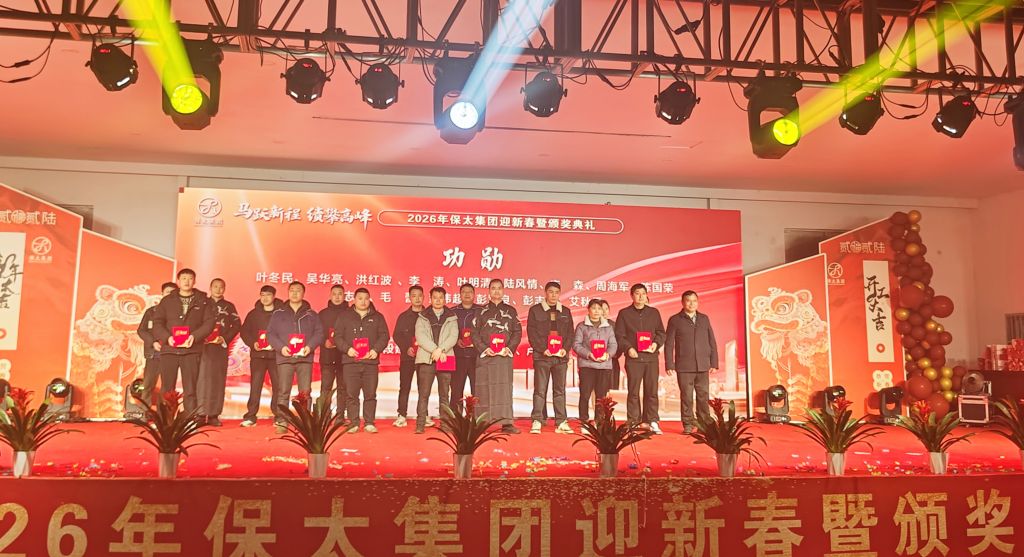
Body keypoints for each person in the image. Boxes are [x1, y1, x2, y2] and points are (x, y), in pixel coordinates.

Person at [151, 268, 216, 415]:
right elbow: (157, 323)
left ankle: (189, 419)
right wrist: (167, 338)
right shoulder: (167, 301)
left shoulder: (203, 301)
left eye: (190, 278)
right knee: (167, 388)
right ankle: (165, 419)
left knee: (190, 389)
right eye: (184, 278)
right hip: (170, 350)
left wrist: (195, 336)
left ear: (195, 281)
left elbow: (209, 323)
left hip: (191, 351)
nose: (187, 281)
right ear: (178, 281)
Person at [267, 281, 324, 435]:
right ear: (288, 292)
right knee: (283, 391)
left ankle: (305, 422)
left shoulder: (311, 314)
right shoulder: (278, 313)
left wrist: (309, 347)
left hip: (304, 358)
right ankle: (282, 421)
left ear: (303, 293)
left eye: (298, 290)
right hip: (285, 357)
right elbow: (270, 334)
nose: (294, 293)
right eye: (292, 290)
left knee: (305, 392)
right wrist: (281, 348)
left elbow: (319, 333)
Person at [335, 288, 390, 433]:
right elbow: (338, 337)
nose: (363, 301)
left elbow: (384, 336)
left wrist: (375, 350)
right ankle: (353, 423)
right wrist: (347, 349)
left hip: (370, 362)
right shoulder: (344, 316)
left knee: (370, 394)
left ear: (369, 299)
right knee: (351, 394)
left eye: (366, 298)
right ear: (354, 299)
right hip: (350, 362)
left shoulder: (377, 317)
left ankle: (369, 422)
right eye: (360, 298)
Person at [471, 279, 522, 434]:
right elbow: (474, 333)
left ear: (503, 290)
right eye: (493, 288)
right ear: (489, 291)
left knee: (504, 389)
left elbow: (517, 332)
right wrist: (484, 349)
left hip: (503, 357)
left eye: (499, 288)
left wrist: (509, 348)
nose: (496, 291)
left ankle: (507, 423)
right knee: (483, 389)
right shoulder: (480, 311)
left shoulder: (511, 311)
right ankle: (481, 422)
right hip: (486, 356)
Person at [615, 283, 666, 434]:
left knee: (652, 391)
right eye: (637, 293)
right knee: (633, 391)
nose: (641, 296)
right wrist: (628, 348)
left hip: (651, 358)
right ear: (632, 295)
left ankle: (652, 420)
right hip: (634, 358)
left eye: (643, 293)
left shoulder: (654, 313)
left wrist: (655, 344)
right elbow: (620, 335)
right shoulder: (624, 313)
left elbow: (661, 333)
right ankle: (633, 421)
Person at [665, 290, 719, 434]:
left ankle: (704, 424)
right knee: (686, 397)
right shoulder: (675, 320)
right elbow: (669, 344)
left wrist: (714, 362)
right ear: (682, 303)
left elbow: (712, 341)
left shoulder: (704, 319)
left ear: (698, 302)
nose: (691, 304)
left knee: (703, 396)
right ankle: (688, 424)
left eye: (694, 301)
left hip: (703, 365)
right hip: (684, 366)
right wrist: (669, 364)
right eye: (688, 301)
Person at [527, 281, 575, 434]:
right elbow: (531, 333)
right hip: (542, 357)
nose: (553, 295)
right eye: (551, 292)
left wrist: (564, 349)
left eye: (556, 292)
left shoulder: (565, 311)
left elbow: (570, 334)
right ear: (545, 293)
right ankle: (537, 420)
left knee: (559, 391)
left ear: (559, 294)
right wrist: (543, 349)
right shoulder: (535, 310)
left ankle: (561, 421)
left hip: (560, 358)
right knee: (540, 390)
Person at [413, 287, 458, 434]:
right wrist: (435, 350)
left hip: (445, 357)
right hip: (427, 358)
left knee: (444, 395)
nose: (438, 300)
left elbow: (453, 336)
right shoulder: (422, 316)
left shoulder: (452, 317)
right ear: (430, 299)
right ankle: (420, 424)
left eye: (441, 297)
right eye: (435, 297)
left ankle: (445, 425)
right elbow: (420, 337)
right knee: (423, 394)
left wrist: (441, 350)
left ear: (445, 299)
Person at [239, 285, 283, 427]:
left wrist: (279, 345)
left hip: (276, 356)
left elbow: (286, 332)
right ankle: (250, 416)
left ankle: (279, 416)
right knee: (255, 386)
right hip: (258, 356)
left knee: (278, 386)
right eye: (262, 295)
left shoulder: (282, 313)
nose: (265, 298)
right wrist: (253, 343)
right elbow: (244, 332)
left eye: (268, 295)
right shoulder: (253, 314)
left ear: (274, 296)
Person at [198, 278, 240, 427]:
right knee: (201, 380)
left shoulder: (229, 306)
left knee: (218, 380)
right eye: (215, 286)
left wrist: (224, 338)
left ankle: (214, 414)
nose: (218, 289)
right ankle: (200, 414)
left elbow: (237, 325)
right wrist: (199, 337)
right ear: (210, 288)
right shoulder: (202, 304)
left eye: (221, 287)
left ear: (224, 289)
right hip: (202, 348)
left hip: (219, 348)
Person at [573, 299, 618, 423]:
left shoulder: (608, 327)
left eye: (599, 309)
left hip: (604, 366)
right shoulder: (582, 326)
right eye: (594, 308)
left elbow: (613, 345)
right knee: (585, 395)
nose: (597, 311)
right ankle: (584, 421)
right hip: (587, 366)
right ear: (588, 310)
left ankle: (600, 422)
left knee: (601, 397)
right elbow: (576, 345)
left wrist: (607, 355)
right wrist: (589, 355)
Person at [135, 282, 176, 405]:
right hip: (154, 354)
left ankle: (164, 413)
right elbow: (141, 330)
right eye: (168, 292)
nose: (170, 295)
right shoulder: (151, 312)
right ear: (162, 293)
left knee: (168, 387)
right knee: (148, 385)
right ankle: (145, 412)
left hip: (171, 354)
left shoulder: (179, 314)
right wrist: (152, 343)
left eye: (173, 293)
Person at [391, 285, 425, 428]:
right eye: (414, 296)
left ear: (424, 297)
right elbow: (397, 335)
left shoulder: (428, 315)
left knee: (423, 388)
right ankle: (401, 415)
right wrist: (406, 348)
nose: (417, 298)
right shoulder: (403, 317)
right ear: (409, 297)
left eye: (420, 295)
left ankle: (423, 415)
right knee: (404, 387)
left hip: (424, 358)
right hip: (407, 358)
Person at [318, 284, 350, 422]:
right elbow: (317, 332)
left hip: (345, 357)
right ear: (330, 295)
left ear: (344, 296)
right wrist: (324, 341)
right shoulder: (322, 314)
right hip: (327, 357)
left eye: (340, 294)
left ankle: (340, 416)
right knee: (326, 388)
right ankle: (324, 417)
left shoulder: (350, 313)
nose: (337, 297)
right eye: (334, 294)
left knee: (343, 389)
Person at [450, 283, 480, 412]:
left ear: (474, 294)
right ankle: (456, 419)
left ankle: (475, 418)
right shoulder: (452, 312)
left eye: (470, 292)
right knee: (456, 390)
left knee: (477, 390)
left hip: (476, 357)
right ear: (460, 295)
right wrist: (456, 340)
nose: (467, 294)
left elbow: (486, 331)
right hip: (458, 357)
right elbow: (447, 332)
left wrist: (477, 341)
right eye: (464, 292)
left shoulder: (481, 311)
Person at [601, 299, 623, 391]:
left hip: (612, 362)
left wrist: (613, 354)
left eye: (606, 309)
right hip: (596, 362)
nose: (604, 312)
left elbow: (621, 342)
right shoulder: (589, 326)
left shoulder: (615, 326)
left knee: (612, 391)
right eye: (601, 309)